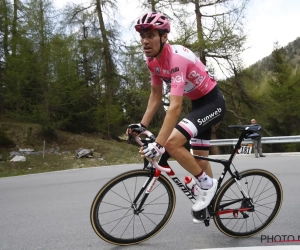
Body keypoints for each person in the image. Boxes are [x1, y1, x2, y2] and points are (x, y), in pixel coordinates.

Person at [127, 12, 226, 221]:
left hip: (213, 102)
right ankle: (212, 200)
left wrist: (159, 143)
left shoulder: (176, 58)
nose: (145, 41)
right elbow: (155, 96)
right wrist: (142, 124)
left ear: (164, 37)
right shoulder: (152, 61)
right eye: (142, 35)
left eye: (151, 35)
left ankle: (208, 186)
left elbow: (175, 107)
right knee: (199, 160)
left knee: (171, 144)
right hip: (199, 104)